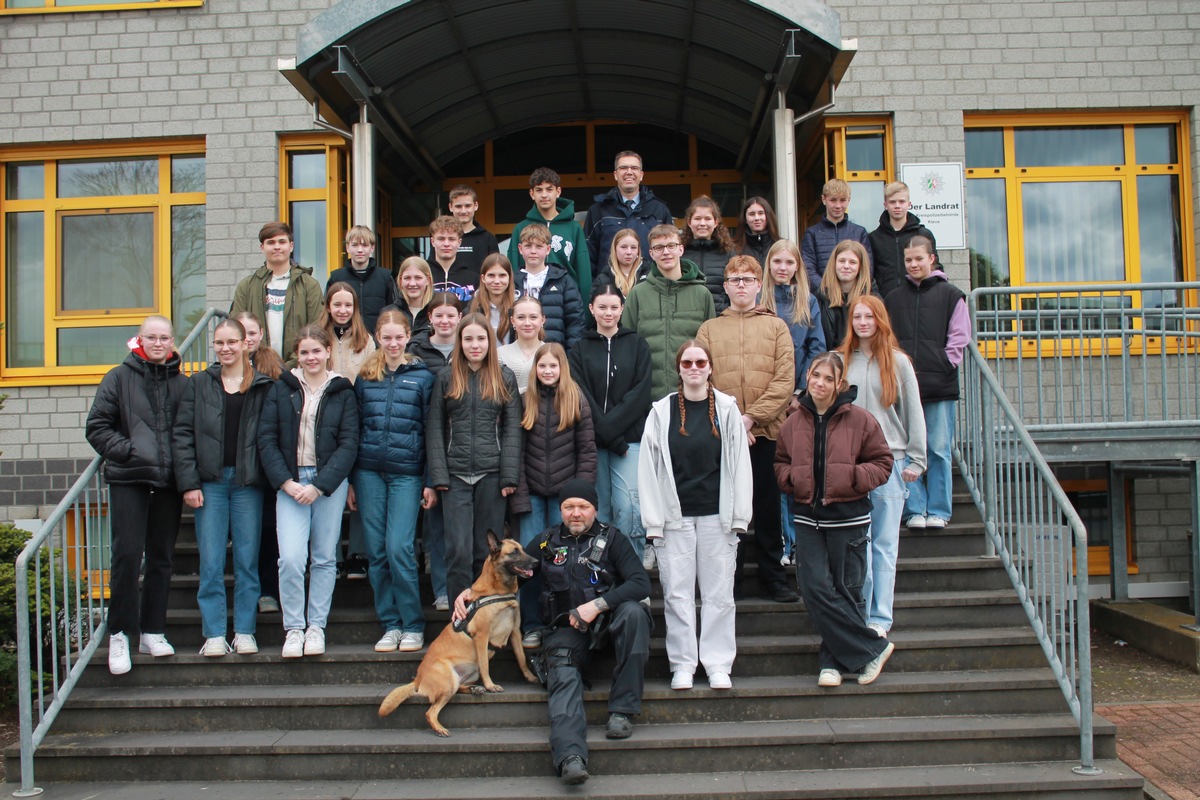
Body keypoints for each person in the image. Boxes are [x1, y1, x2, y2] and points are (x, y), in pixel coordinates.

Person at [455, 479, 649, 785]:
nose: (576, 513)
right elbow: (508, 570)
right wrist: (472, 593)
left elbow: (640, 583)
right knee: (561, 673)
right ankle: (570, 757)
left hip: (611, 626)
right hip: (565, 630)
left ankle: (622, 713)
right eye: (569, 506)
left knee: (635, 612)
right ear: (560, 510)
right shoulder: (546, 543)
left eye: (583, 507)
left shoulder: (613, 539)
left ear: (594, 509)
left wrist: (597, 605)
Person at [774, 352, 895, 688]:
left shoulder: (861, 420)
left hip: (849, 519)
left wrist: (854, 479)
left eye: (828, 379)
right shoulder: (793, 421)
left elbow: (883, 462)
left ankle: (833, 663)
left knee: (847, 591)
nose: (820, 384)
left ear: (840, 383)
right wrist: (791, 480)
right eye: (816, 376)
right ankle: (873, 648)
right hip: (808, 519)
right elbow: (781, 462)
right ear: (808, 376)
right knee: (814, 591)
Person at [640, 341, 752, 691]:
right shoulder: (662, 410)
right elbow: (648, 467)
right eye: (687, 362)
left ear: (710, 367)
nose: (693, 367)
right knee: (676, 595)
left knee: (720, 595)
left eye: (700, 362)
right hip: (675, 519)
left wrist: (739, 516)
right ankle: (683, 664)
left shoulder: (728, 409)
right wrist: (653, 521)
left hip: (717, 516)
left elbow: (740, 466)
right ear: (679, 368)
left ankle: (718, 663)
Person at [86, 315, 188, 675]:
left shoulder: (182, 383)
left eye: (164, 337)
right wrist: (128, 451)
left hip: (168, 483)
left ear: (172, 341)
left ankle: (152, 631)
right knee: (127, 556)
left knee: (161, 559)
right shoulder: (118, 377)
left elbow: (187, 432)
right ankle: (119, 633)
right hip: (129, 479)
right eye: (151, 337)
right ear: (139, 340)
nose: (158, 343)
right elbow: (97, 427)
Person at [696, 256, 799, 604]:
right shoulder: (710, 329)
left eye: (748, 278)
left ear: (759, 285)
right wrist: (732, 422)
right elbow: (700, 379)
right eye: (734, 279)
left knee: (768, 509)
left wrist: (751, 418)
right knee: (727, 511)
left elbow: (785, 380)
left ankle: (774, 578)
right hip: (723, 435)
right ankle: (730, 580)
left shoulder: (776, 327)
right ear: (724, 287)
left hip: (766, 433)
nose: (741, 284)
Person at [173, 317, 274, 657]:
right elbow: (183, 434)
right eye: (220, 343)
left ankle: (244, 631)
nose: (226, 348)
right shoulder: (198, 384)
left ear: (248, 344)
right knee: (212, 562)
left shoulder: (263, 386)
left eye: (232, 342)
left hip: (248, 485)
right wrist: (188, 482)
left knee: (247, 561)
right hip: (210, 484)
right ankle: (214, 633)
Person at [258, 325, 359, 658]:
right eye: (304, 352)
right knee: (290, 558)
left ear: (328, 351)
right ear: (296, 355)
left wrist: (319, 485)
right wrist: (286, 483)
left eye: (317, 350)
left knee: (325, 557)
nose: (311, 357)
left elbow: (349, 443)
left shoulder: (342, 391)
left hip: (327, 483)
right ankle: (294, 628)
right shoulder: (281, 388)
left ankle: (316, 626)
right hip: (290, 481)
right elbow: (267, 439)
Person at [840, 296, 926, 637]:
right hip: (849, 463)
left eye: (869, 316)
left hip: (890, 460)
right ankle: (859, 612)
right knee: (858, 542)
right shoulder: (840, 359)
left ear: (880, 320)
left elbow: (914, 413)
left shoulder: (898, 363)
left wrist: (917, 461)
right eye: (857, 316)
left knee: (885, 545)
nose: (863, 322)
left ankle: (879, 618)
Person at [352, 310, 438, 654]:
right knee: (376, 552)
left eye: (398, 337)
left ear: (407, 338)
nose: (392, 343)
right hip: (368, 472)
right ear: (377, 337)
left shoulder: (422, 377)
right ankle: (390, 623)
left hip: (407, 473)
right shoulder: (365, 377)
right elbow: (355, 428)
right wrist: (350, 483)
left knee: (398, 547)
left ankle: (413, 624)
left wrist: (431, 480)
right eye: (386, 337)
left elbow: (432, 430)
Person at [426, 313, 523, 603]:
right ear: (460, 341)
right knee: (458, 549)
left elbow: (512, 431)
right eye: (468, 338)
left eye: (481, 338)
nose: (475, 344)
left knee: (486, 551)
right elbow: (434, 428)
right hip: (454, 476)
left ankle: (485, 609)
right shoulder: (445, 376)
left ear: (490, 342)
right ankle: (459, 614)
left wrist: (508, 476)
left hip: (492, 474)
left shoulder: (503, 376)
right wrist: (439, 475)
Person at [510, 343, 597, 648]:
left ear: (563, 369)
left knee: (566, 562)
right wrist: (520, 497)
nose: (548, 372)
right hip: (532, 496)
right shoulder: (523, 402)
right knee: (531, 562)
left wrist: (578, 502)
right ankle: (532, 624)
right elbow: (515, 453)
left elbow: (586, 452)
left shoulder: (576, 401)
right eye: (542, 366)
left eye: (553, 366)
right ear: (535, 369)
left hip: (564, 500)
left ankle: (564, 622)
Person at [884, 235, 969, 531]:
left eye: (919, 258)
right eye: (909, 260)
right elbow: (888, 338)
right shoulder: (894, 298)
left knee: (938, 449)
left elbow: (960, 337)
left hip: (939, 385)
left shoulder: (951, 294)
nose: (914, 264)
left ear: (931, 258)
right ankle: (915, 509)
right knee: (907, 450)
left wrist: (946, 362)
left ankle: (940, 510)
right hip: (905, 389)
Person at [568, 283, 653, 564]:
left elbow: (639, 394)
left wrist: (612, 435)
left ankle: (633, 573)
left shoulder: (637, 344)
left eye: (614, 307)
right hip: (592, 443)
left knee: (629, 509)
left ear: (622, 309)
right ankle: (599, 573)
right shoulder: (579, 349)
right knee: (599, 510)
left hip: (628, 443)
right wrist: (607, 436)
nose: (608, 313)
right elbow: (580, 394)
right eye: (602, 307)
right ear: (591, 309)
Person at [405, 292, 465, 612]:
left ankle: (462, 588)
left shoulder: (470, 346)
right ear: (430, 318)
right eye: (438, 315)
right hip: (426, 440)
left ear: (459, 317)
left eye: (450, 315)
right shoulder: (415, 352)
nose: (444, 321)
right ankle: (441, 588)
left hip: (463, 441)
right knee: (436, 523)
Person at [621, 224, 715, 400]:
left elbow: (711, 348)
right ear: (651, 253)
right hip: (648, 397)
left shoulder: (702, 294)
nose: (666, 252)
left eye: (671, 246)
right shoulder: (638, 294)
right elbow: (627, 346)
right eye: (659, 247)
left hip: (693, 396)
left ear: (681, 249)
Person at [234, 312, 283, 615]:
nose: (248, 339)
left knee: (267, 530)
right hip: (239, 466)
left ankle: (268, 590)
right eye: (242, 333)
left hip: (266, 464)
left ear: (260, 334)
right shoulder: (222, 372)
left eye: (252, 333)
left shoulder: (273, 365)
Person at [230, 221, 323, 363]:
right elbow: (236, 330)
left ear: (291, 246)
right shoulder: (246, 286)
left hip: (299, 369)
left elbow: (317, 329)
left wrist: (291, 366)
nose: (277, 247)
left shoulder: (309, 285)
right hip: (255, 370)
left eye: (282, 242)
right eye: (271, 242)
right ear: (262, 247)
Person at [508, 167, 591, 302]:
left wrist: (585, 313)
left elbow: (584, 274)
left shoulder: (574, 228)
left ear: (558, 192)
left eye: (549, 189)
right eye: (539, 190)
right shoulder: (521, 228)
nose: (544, 195)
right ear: (532, 194)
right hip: (528, 302)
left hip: (566, 301)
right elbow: (512, 271)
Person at [584, 150, 673, 267]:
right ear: (615, 175)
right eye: (623, 168)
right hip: (609, 283)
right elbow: (588, 255)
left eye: (634, 168)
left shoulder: (660, 210)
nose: (629, 172)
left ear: (641, 175)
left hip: (650, 283)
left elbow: (671, 252)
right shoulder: (598, 211)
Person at [512, 223, 584, 350]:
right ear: (520, 248)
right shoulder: (511, 282)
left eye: (539, 246)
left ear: (548, 249)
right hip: (518, 355)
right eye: (528, 246)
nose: (533, 251)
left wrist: (569, 359)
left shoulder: (563, 280)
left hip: (553, 356)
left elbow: (575, 323)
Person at [800, 179, 873, 293]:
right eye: (833, 200)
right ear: (824, 199)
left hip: (854, 296)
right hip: (823, 298)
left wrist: (852, 290)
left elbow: (867, 267)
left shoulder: (860, 232)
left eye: (842, 200)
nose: (838, 205)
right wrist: (828, 290)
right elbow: (808, 269)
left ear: (849, 200)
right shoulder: (812, 234)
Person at [869, 181, 937, 299]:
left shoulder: (923, 235)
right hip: (885, 303)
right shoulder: (874, 238)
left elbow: (935, 268)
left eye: (901, 201)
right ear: (885, 204)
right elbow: (870, 274)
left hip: (919, 299)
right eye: (892, 202)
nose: (897, 206)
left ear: (909, 204)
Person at [326, 226, 398, 333]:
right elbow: (327, 312)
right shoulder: (336, 278)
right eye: (355, 245)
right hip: (345, 340)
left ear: (372, 248)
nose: (360, 250)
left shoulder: (385, 277)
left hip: (378, 342)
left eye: (364, 245)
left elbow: (394, 310)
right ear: (347, 248)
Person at [816, 240, 876, 351]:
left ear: (860, 266)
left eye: (853, 262)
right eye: (842, 261)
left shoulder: (873, 299)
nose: (846, 266)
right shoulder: (820, 299)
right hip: (830, 362)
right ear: (834, 264)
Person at [681, 195, 736, 312]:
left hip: (720, 319)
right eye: (697, 218)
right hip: (687, 319)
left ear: (716, 222)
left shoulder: (727, 253)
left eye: (707, 218)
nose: (702, 223)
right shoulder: (679, 252)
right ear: (689, 222)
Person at [320, 281, 376, 385]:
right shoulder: (318, 339)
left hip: (356, 398)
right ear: (328, 307)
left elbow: (372, 376)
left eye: (348, 305)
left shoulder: (365, 339)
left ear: (354, 308)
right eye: (337, 305)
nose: (343, 310)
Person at [497, 295, 546, 394]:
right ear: (512, 321)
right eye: (521, 317)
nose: (527, 323)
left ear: (542, 320)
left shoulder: (552, 353)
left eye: (533, 317)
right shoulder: (500, 354)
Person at [448, 185, 500, 276]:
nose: (463, 211)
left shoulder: (488, 238)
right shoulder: (443, 240)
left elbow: (496, 271)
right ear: (450, 207)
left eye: (468, 206)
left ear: (475, 206)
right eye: (458, 206)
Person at [468, 253, 517, 344]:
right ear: (483, 278)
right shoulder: (471, 308)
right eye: (491, 275)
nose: (497, 281)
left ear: (510, 278)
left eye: (502, 275)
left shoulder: (518, 308)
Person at [427, 215, 477, 303]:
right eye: (441, 239)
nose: (446, 244)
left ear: (459, 242)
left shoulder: (473, 279)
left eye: (451, 239)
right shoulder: (422, 276)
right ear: (432, 242)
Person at [392, 256, 434, 338]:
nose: (412, 283)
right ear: (401, 281)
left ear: (428, 280)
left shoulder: (438, 313)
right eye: (407, 278)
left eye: (418, 278)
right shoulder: (390, 312)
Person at [596, 228, 647, 296]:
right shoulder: (602, 280)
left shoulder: (650, 276)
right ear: (615, 249)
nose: (629, 252)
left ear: (638, 250)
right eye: (623, 247)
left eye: (633, 247)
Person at [732, 196, 779, 266]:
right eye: (752, 214)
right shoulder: (734, 248)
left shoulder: (780, 246)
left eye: (761, 213)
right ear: (745, 219)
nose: (757, 218)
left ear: (768, 216)